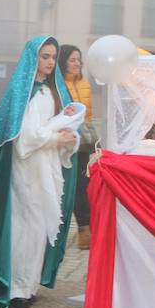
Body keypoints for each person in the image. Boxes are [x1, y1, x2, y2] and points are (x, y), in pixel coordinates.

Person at [0, 36, 81, 308]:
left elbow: (62, 126)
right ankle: (13, 288)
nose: (49, 62)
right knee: (24, 224)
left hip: (47, 166)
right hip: (26, 168)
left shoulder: (53, 92)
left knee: (39, 227)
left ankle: (29, 285)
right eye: (44, 57)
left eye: (52, 57)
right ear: (33, 58)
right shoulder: (21, 94)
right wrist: (54, 138)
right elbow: (23, 137)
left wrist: (70, 139)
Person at [59, 44, 95, 250]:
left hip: (83, 142)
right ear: (63, 61)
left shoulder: (85, 83)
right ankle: (60, 230)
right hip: (64, 142)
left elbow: (88, 115)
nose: (76, 63)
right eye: (72, 59)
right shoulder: (58, 85)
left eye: (78, 59)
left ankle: (85, 229)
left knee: (82, 185)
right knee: (65, 186)